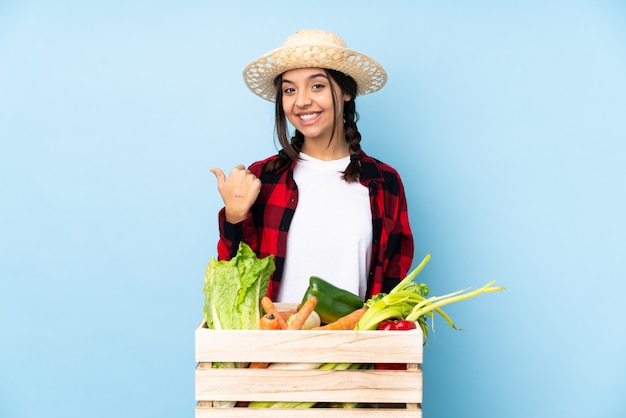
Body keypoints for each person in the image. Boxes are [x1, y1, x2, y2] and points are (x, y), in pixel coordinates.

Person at [210, 30, 414, 303]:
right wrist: (234, 216)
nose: (302, 101)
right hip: (274, 340)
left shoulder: (384, 181)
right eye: (289, 90)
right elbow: (235, 283)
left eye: (317, 85)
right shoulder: (261, 179)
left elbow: (392, 279)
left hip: (356, 341)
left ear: (346, 93)